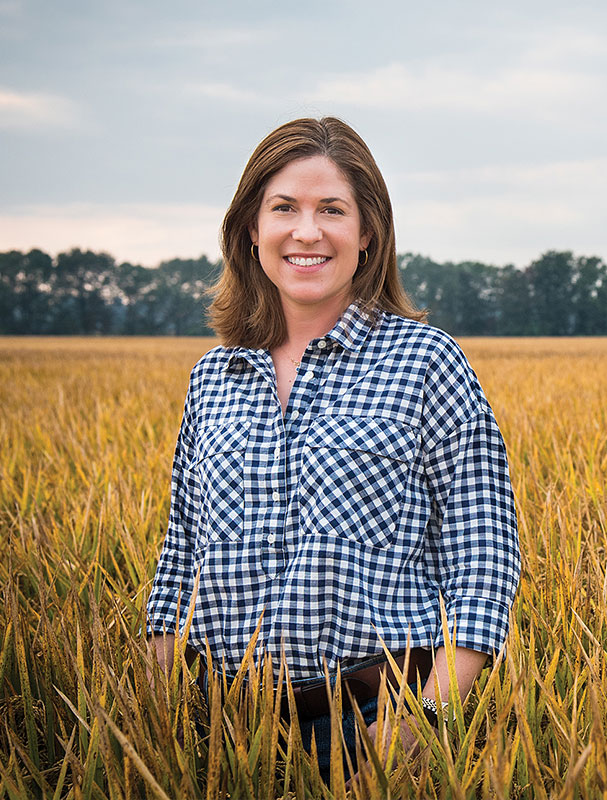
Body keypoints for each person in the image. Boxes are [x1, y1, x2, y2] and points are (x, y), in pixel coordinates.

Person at [145, 116, 520, 780]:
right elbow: (179, 557)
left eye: (332, 210)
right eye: (284, 207)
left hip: (376, 723)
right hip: (218, 727)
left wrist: (429, 719)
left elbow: (484, 552)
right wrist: (162, 707)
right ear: (250, 229)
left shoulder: (426, 362)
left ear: (367, 232)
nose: (307, 231)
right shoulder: (214, 375)